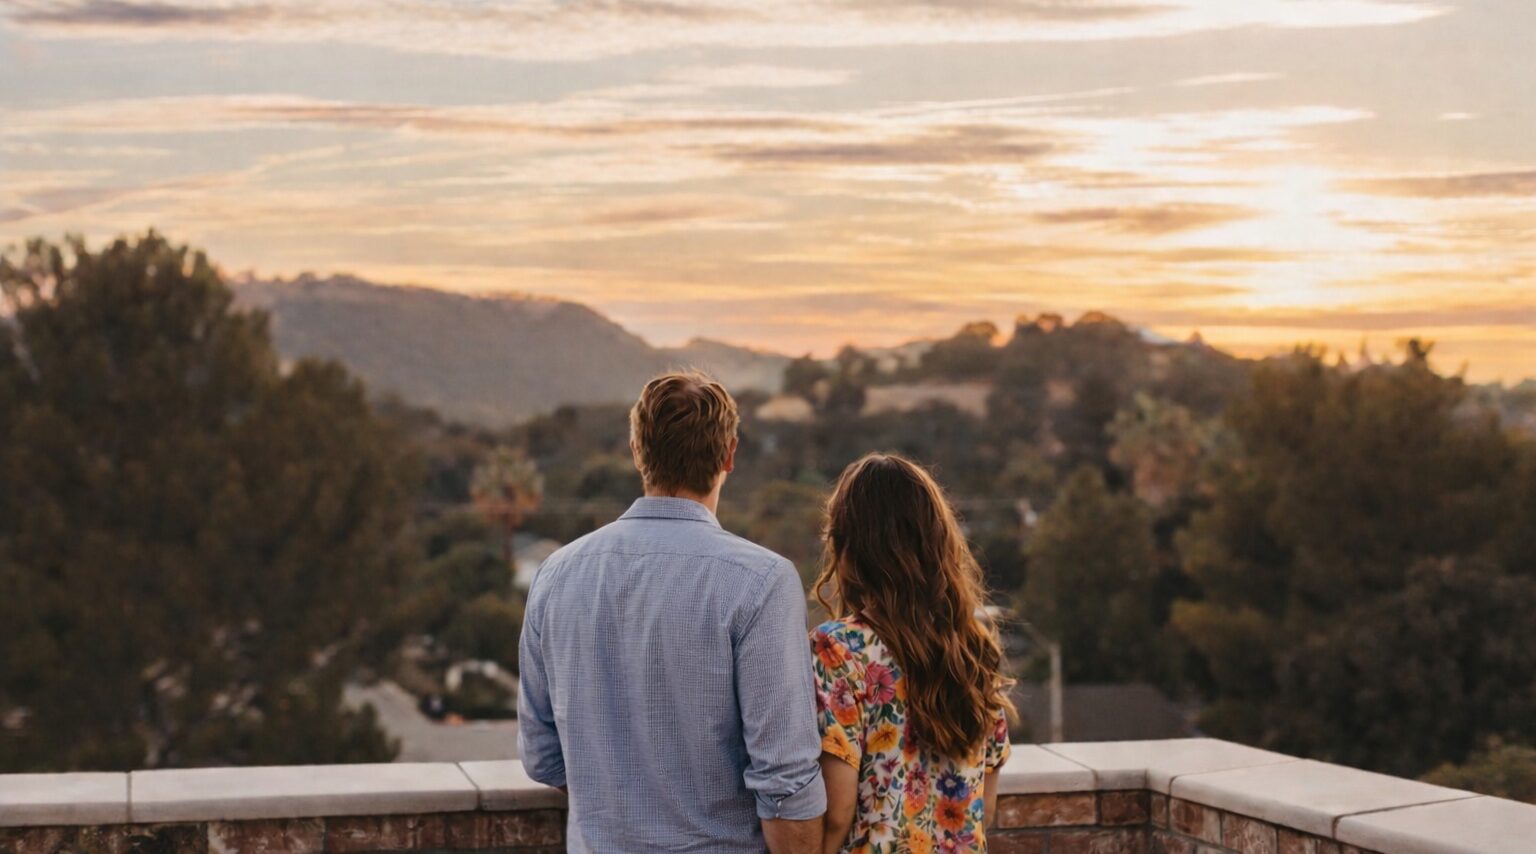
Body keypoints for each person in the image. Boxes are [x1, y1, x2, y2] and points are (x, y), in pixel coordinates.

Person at [518, 372, 826, 853]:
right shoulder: (762, 582)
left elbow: (542, 756)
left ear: (636, 451)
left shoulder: (556, 574)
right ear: (729, 454)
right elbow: (785, 780)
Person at [810, 453, 1015, 853]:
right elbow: (985, 805)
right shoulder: (971, 646)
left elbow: (838, 812)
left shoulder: (838, 649)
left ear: (850, 544)